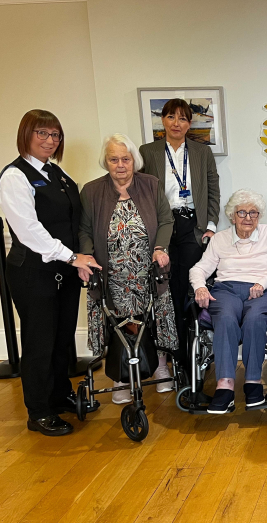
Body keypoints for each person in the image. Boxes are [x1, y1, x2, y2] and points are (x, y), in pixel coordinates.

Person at [0, 110, 101, 436]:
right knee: (40, 342)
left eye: (55, 135)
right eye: (42, 133)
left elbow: (71, 219)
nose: (50, 140)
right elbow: (29, 231)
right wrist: (73, 258)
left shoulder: (56, 172)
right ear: (25, 134)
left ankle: (58, 396)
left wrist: (79, 260)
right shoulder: (15, 177)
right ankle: (39, 412)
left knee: (60, 339)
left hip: (65, 270)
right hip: (33, 273)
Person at [79, 134, 177, 403]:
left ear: (134, 160)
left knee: (153, 319)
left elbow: (166, 221)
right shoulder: (91, 190)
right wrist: (86, 256)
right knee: (119, 322)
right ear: (106, 162)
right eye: (114, 159)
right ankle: (121, 376)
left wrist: (160, 248)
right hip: (112, 272)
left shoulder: (151, 184)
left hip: (149, 269)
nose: (120, 165)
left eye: (125, 158)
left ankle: (159, 367)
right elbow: (85, 229)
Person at [189, 190, 267, 413]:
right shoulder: (220, 239)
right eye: (242, 212)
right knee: (225, 317)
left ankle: (253, 383)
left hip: (261, 290)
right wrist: (200, 287)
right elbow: (199, 269)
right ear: (232, 216)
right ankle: (224, 385)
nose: (248, 218)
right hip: (226, 289)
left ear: (259, 216)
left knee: (255, 318)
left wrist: (263, 283)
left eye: (253, 213)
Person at [139, 98, 220, 375]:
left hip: (191, 227)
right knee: (164, 293)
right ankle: (167, 358)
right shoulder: (147, 152)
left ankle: (190, 357)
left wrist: (210, 224)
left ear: (190, 123)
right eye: (171, 117)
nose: (177, 123)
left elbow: (212, 189)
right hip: (161, 226)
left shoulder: (201, 152)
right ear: (163, 120)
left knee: (188, 289)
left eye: (183, 118)